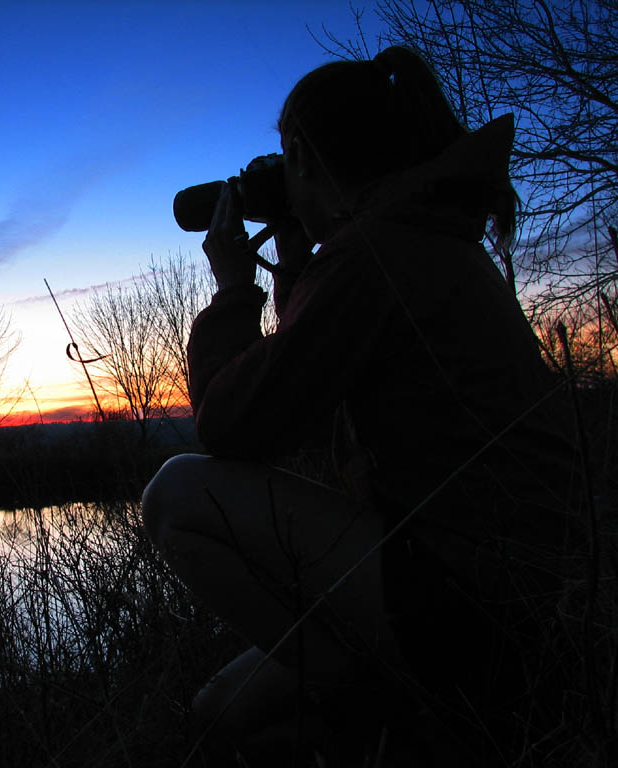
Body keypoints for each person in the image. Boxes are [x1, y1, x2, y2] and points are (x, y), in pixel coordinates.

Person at [142, 47, 581, 766]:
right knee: (224, 713)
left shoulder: (375, 252)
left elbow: (233, 425)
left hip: (472, 604)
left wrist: (232, 292)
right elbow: (308, 385)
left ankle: (393, 703)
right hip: (516, 591)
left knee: (177, 495)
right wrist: (295, 248)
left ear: (309, 157)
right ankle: (385, 710)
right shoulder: (418, 235)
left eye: (287, 156)